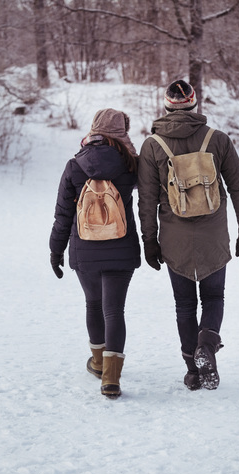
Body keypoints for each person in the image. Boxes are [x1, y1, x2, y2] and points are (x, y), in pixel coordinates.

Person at [137, 80, 239, 391]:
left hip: (175, 239)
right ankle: (208, 344)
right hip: (214, 234)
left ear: (166, 106)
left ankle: (192, 369)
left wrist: (149, 240)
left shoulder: (152, 146)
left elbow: (147, 200)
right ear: (194, 104)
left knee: (184, 305)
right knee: (214, 296)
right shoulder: (218, 140)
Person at [49, 108, 141, 398]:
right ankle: (111, 379)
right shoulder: (131, 165)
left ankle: (99, 362)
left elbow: (63, 215)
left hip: (84, 247)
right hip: (121, 246)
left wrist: (56, 250)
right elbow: (148, 200)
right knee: (114, 310)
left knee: (93, 304)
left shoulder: (75, 165)